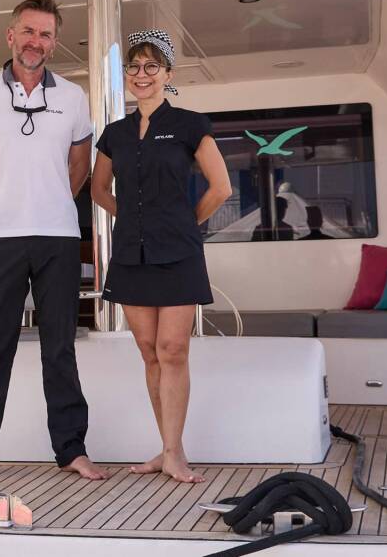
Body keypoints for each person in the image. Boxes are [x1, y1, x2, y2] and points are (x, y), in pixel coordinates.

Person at [0, 0, 108, 482]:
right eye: (29, 31)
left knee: (60, 347)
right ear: (11, 35)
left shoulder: (73, 97)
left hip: (57, 237)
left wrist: (48, 201)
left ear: (54, 43)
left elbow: (78, 166)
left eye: (46, 34)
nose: (37, 41)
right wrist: (3, 202)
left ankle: (71, 450)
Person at [90, 29, 232, 484]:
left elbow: (221, 188)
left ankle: (173, 452)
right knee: (149, 351)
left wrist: (184, 223)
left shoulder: (190, 124)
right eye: (134, 67)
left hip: (178, 253)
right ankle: (168, 448)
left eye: (152, 66)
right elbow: (98, 189)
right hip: (131, 253)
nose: (142, 74)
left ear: (168, 73)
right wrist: (134, 218)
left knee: (173, 349)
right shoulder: (114, 134)